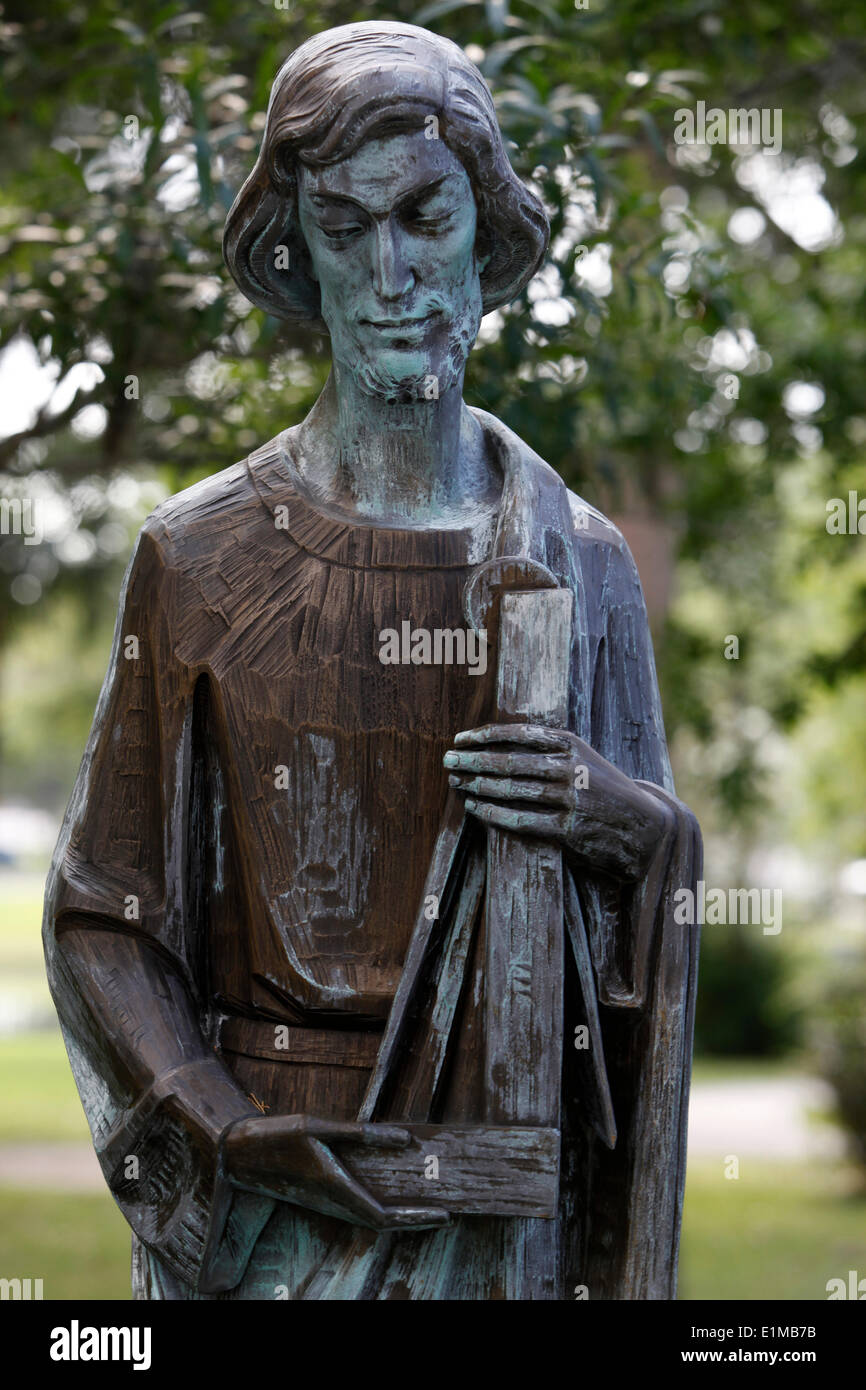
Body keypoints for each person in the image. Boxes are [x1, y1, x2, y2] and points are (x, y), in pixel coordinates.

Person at [43, 21, 701, 1300]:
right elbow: (102, 913)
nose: (391, 271)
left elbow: (653, 889)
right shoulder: (199, 558)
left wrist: (627, 826)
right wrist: (218, 1122)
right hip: (278, 1191)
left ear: (486, 236)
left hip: (512, 1197)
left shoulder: (576, 556)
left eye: (424, 217)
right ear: (296, 252)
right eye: (345, 230)